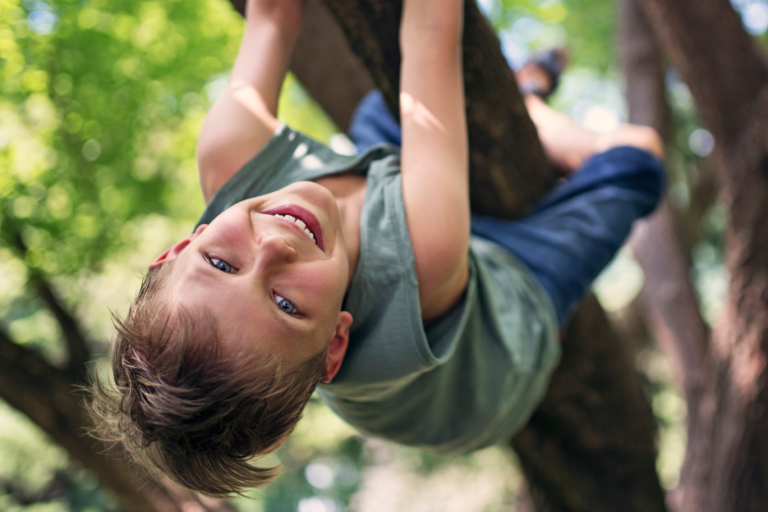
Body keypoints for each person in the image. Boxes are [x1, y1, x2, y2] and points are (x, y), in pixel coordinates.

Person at [90, 0, 665, 499]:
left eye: (220, 263)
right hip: (494, 351)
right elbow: (430, 36)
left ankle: (511, 109)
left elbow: (272, 13)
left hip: (421, 230)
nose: (273, 248)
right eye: (286, 305)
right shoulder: (425, 247)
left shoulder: (230, 152)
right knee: (637, 158)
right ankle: (532, 102)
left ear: (179, 247)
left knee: (381, 109)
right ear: (336, 342)